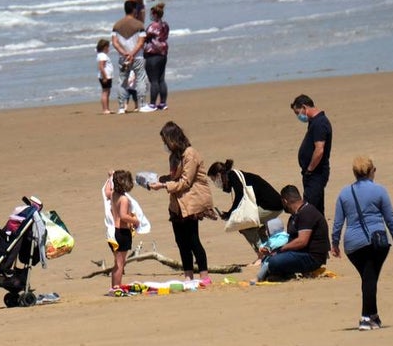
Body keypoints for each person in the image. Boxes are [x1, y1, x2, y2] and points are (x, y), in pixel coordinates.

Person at [331, 157, 393, 331]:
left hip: (352, 245)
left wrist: (335, 242)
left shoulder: (344, 193)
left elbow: (338, 222)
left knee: (369, 278)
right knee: (370, 278)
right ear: (372, 171)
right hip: (376, 242)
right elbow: (390, 218)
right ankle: (365, 318)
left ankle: (374, 316)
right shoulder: (379, 191)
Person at [146, 121, 215, 285]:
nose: (164, 145)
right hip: (177, 204)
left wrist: (163, 185)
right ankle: (188, 275)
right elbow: (174, 178)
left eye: (165, 141)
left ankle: (204, 276)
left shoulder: (190, 154)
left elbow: (185, 182)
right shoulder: (174, 157)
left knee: (193, 240)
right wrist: (158, 179)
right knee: (180, 241)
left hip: (191, 202)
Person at [206, 159, 283, 254]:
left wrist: (230, 213)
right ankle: (270, 252)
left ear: (218, 175)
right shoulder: (234, 175)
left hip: (271, 206)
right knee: (256, 229)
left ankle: (261, 254)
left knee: (244, 225)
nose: (214, 182)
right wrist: (229, 213)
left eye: (213, 179)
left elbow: (240, 195)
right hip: (275, 204)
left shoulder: (233, 175)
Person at [258, 184, 329, 280]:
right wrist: (273, 250)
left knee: (274, 261)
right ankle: (282, 273)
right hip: (299, 253)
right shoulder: (294, 216)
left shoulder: (307, 212)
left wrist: (281, 250)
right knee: (269, 259)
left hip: (312, 257)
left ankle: (285, 272)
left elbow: (302, 241)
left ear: (285, 201)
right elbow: (291, 240)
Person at [291, 94, 332, 216]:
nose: (299, 116)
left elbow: (319, 150)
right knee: (317, 210)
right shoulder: (314, 122)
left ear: (304, 107)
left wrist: (309, 170)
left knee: (309, 211)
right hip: (313, 174)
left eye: (298, 113)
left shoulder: (319, 123)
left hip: (315, 174)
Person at [106, 170, 140, 292]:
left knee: (117, 262)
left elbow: (106, 191)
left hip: (113, 233)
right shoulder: (123, 199)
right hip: (121, 232)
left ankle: (114, 286)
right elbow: (123, 216)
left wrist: (110, 178)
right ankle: (117, 287)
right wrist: (135, 221)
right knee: (120, 263)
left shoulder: (113, 194)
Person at [110, 0, 145, 114]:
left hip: (123, 58)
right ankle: (142, 105)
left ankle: (121, 107)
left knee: (122, 80)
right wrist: (132, 54)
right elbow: (140, 42)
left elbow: (114, 42)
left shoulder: (116, 25)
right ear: (134, 10)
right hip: (137, 57)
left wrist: (124, 53)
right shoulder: (139, 25)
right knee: (140, 79)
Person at [141, 2, 169, 112]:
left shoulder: (153, 26)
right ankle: (162, 102)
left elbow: (144, 37)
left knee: (154, 80)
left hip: (153, 54)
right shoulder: (165, 25)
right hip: (163, 53)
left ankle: (152, 104)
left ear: (155, 14)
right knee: (161, 79)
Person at [252, 217, 290, 282]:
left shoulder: (283, 236)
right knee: (265, 261)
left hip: (280, 257)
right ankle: (271, 276)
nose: (266, 232)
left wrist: (268, 247)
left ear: (273, 229)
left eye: (267, 229)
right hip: (274, 257)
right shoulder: (273, 238)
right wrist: (262, 248)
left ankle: (258, 278)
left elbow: (280, 243)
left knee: (267, 264)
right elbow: (264, 245)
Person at [95, 39, 114, 114]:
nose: (109, 49)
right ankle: (105, 109)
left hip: (106, 76)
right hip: (105, 76)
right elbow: (101, 67)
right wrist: (105, 76)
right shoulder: (102, 56)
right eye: (108, 47)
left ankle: (107, 108)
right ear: (105, 47)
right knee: (105, 92)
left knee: (107, 92)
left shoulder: (101, 55)